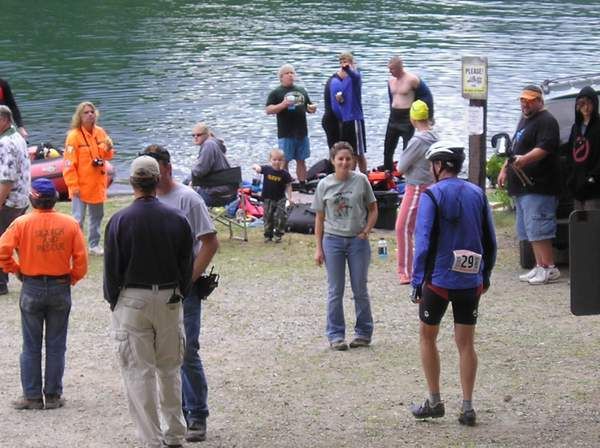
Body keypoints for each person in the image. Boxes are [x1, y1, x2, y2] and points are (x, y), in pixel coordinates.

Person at [104, 156, 194, 448]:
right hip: (168, 296)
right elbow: (186, 264)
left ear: (132, 183)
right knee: (170, 368)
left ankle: (151, 438)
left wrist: (114, 301)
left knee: (139, 370)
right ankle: (176, 432)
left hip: (133, 298)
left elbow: (112, 270)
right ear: (157, 181)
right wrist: (180, 291)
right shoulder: (177, 219)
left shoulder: (119, 221)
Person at [409, 142, 496, 427]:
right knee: (466, 344)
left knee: (427, 336)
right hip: (470, 280)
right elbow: (490, 239)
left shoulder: (431, 195)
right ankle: (468, 406)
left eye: (432, 164)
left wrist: (417, 280)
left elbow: (422, 243)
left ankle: (434, 401)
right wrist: (485, 275)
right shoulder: (478, 193)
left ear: (439, 165)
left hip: (438, 280)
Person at [143, 144, 219, 443]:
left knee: (187, 351)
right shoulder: (144, 200)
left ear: (168, 169)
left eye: (155, 171)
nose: (152, 177)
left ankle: (197, 415)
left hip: (183, 288)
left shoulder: (188, 199)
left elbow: (210, 242)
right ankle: (169, 416)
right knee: (159, 354)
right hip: (152, 288)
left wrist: (188, 281)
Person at [0, 178, 88, 410]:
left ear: (32, 198)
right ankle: (53, 395)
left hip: (32, 286)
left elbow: (2, 250)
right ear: (55, 199)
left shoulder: (21, 223)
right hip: (60, 286)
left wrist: (16, 270)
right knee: (56, 344)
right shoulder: (69, 224)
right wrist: (73, 277)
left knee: (31, 344)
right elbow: (81, 258)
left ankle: (32, 396)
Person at [313, 141, 378, 351]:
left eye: (348, 159)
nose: (344, 162)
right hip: (332, 240)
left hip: (357, 241)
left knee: (360, 289)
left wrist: (366, 231)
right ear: (333, 161)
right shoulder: (324, 185)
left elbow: (373, 208)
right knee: (335, 290)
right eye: (340, 159)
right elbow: (319, 218)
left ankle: (364, 333)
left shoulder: (361, 181)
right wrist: (318, 248)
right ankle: (335, 335)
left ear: (353, 161)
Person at [497, 85, 561, 285]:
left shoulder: (547, 121)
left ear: (539, 101)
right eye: (523, 100)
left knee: (539, 227)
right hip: (522, 186)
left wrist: (524, 160)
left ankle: (550, 267)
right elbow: (514, 148)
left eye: (530, 100)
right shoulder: (525, 120)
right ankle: (539, 265)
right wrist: (505, 169)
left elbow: (545, 147)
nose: (525, 104)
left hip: (539, 184)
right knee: (529, 230)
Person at [63, 101, 115, 256]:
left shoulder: (100, 132)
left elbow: (106, 156)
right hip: (80, 185)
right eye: (86, 112)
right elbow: (68, 164)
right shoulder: (73, 137)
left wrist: (109, 148)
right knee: (78, 219)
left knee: (97, 217)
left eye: (92, 111)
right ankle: (74, 247)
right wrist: (73, 185)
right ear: (80, 116)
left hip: (97, 184)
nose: (90, 114)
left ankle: (94, 245)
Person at [395, 100, 438, 284]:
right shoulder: (436, 136)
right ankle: (429, 267)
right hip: (433, 186)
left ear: (413, 118)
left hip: (417, 187)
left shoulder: (418, 140)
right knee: (426, 229)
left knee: (403, 227)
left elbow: (401, 167)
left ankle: (406, 272)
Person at [265, 64, 317, 183]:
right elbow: (268, 110)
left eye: (292, 73)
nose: (290, 75)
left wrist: (312, 109)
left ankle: (303, 183)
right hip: (286, 133)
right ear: (281, 77)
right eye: (287, 73)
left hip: (301, 132)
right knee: (284, 160)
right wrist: (282, 105)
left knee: (301, 160)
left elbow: (308, 107)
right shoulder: (276, 93)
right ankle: (285, 183)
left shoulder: (301, 90)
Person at [383, 56, 434, 171]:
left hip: (407, 118)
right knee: (388, 148)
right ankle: (388, 172)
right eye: (389, 69)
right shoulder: (390, 81)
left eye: (392, 69)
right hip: (394, 117)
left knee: (408, 148)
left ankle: (406, 173)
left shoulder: (412, 79)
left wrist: (429, 117)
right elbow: (392, 99)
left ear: (400, 68)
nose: (390, 72)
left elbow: (427, 96)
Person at [0, 105, 31, 295]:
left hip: (9, 201)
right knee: (20, 242)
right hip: (21, 198)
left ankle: (0, 284)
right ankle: (34, 275)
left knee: (3, 243)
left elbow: (7, 178)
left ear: (3, 120)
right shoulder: (18, 137)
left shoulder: (4, 143)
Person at [329, 52, 368, 173]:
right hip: (346, 120)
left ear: (352, 63)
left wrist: (348, 67)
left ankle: (364, 178)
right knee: (350, 151)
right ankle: (350, 177)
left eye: (346, 62)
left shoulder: (355, 76)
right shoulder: (344, 80)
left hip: (355, 118)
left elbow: (353, 73)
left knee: (359, 152)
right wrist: (340, 100)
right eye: (341, 62)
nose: (343, 65)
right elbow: (344, 100)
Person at [565, 86, 600, 210]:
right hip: (577, 187)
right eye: (582, 104)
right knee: (580, 223)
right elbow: (570, 153)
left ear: (595, 104)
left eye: (589, 103)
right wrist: (571, 177)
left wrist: (593, 177)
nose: (586, 107)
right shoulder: (576, 127)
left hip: (594, 188)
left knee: (593, 223)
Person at [190, 122, 238, 206]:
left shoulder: (208, 145)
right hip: (229, 190)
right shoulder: (214, 143)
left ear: (207, 134)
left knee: (185, 194)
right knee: (188, 180)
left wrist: (190, 181)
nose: (195, 137)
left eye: (198, 135)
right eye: (193, 135)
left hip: (219, 195)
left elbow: (199, 171)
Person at [252, 148, 293, 243]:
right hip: (267, 198)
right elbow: (256, 166)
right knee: (268, 217)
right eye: (274, 160)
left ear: (283, 161)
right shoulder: (266, 169)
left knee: (281, 216)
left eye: (279, 160)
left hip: (280, 198)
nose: (277, 162)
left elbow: (288, 186)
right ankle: (268, 235)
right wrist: (256, 167)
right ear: (270, 160)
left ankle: (278, 234)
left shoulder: (285, 174)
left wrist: (290, 197)